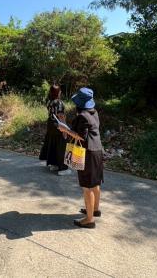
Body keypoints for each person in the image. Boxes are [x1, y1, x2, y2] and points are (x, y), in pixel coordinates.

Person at [58, 87, 103, 229]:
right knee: (95, 183)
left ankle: (89, 220)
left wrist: (65, 129)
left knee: (87, 187)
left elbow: (81, 137)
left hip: (88, 153)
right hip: (97, 151)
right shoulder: (94, 112)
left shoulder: (82, 116)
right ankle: (95, 210)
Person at [39, 85, 72, 176]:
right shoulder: (59, 103)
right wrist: (65, 130)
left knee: (52, 143)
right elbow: (61, 116)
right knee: (62, 146)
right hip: (58, 125)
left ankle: (54, 164)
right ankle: (63, 169)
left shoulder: (49, 101)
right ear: (58, 92)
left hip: (50, 125)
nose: (61, 92)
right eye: (60, 91)